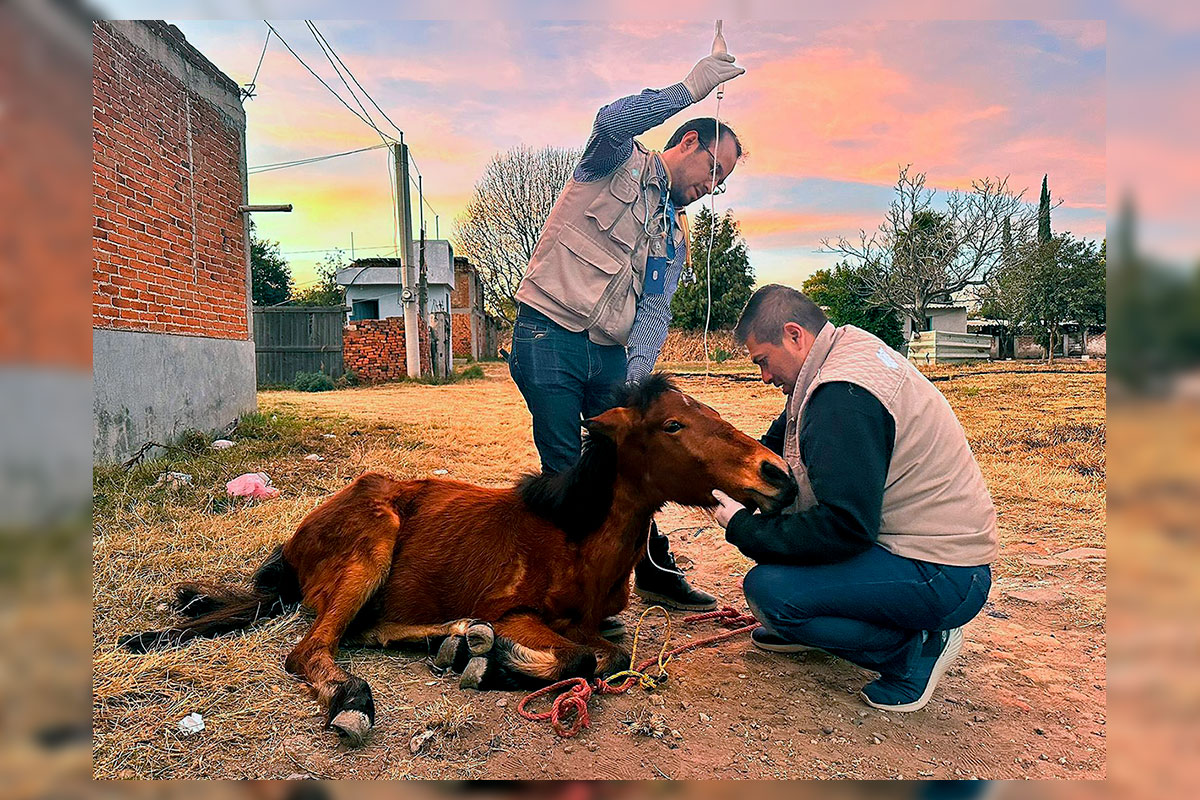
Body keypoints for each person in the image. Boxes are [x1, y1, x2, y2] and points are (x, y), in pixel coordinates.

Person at [509, 39, 746, 613]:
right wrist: (691, 86)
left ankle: (656, 575)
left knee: (633, 466)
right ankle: (574, 591)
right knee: (567, 466)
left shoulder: (675, 232)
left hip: (610, 356)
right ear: (688, 141)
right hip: (549, 335)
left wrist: (636, 391)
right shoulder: (614, 162)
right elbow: (610, 119)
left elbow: (655, 309)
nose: (712, 187)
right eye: (714, 169)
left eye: (724, 181)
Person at [709, 285, 997, 712]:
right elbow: (775, 448)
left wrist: (743, 528)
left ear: (794, 335)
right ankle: (814, 626)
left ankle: (913, 650)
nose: (765, 377)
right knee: (779, 557)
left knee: (771, 592)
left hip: (942, 571)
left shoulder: (841, 395)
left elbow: (845, 527)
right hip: (920, 551)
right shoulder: (838, 354)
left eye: (763, 361)